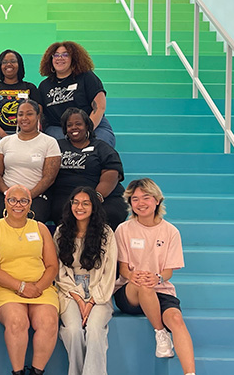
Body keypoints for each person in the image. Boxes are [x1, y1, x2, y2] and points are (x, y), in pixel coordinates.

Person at [114, 178, 197, 375]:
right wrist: (134, 276)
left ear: (157, 200)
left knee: (176, 319)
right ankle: (160, 333)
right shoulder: (123, 229)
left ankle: (190, 373)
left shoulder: (171, 232)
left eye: (146, 198)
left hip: (160, 288)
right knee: (143, 284)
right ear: (130, 203)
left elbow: (169, 271)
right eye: (135, 199)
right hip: (130, 292)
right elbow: (123, 268)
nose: (141, 203)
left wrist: (158, 278)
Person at [0, 185, 59, 375]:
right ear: (5, 202)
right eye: (13, 200)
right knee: (18, 322)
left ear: (30, 203)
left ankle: (36, 371)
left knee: (48, 322)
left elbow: (52, 266)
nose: (18, 205)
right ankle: (17, 372)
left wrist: (38, 287)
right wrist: (21, 286)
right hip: (6, 287)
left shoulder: (40, 228)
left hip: (40, 287)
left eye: (23, 200)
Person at [54, 187, 117, 375]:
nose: (79, 207)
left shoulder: (106, 233)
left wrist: (91, 301)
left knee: (95, 330)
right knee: (73, 331)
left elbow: (109, 272)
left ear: (93, 207)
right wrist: (79, 298)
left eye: (85, 203)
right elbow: (59, 272)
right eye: (76, 202)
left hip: (99, 290)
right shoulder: (60, 232)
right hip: (69, 291)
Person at [50, 108, 126, 230]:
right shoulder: (56, 146)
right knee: (62, 212)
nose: (74, 127)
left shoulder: (101, 147)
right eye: (69, 125)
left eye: (78, 124)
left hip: (101, 195)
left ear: (87, 126)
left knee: (110, 213)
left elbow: (111, 172)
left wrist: (95, 198)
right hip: (66, 195)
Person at [0, 99, 61, 225]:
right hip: (6, 194)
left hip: (36, 196)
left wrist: (26, 197)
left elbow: (49, 178)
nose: (24, 118)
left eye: (29, 114)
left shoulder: (50, 142)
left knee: (33, 219)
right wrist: (8, 194)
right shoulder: (5, 142)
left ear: (38, 116)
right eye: (20, 114)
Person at [37, 41, 115, 148]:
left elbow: (100, 107)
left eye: (65, 54)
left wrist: (86, 131)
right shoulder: (44, 86)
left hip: (92, 125)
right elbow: (39, 114)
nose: (60, 58)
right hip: (59, 128)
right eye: (56, 55)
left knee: (100, 146)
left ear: (73, 58)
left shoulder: (87, 77)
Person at [0, 50, 39, 152]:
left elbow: (38, 112)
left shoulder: (30, 88)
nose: (9, 64)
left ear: (19, 65)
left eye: (13, 61)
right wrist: (3, 135)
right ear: (0, 66)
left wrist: (24, 134)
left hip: (26, 133)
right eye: (4, 62)